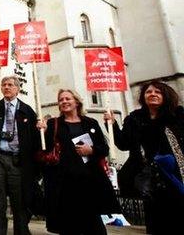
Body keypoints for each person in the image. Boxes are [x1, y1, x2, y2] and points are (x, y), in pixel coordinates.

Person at [104, 81, 184, 234]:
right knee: (154, 219)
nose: (152, 94)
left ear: (165, 95)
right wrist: (112, 125)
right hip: (148, 176)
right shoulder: (134, 118)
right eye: (148, 92)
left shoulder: (177, 115)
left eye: (157, 92)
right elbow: (123, 144)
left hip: (172, 173)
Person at [38, 89, 120, 234]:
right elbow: (44, 149)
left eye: (67, 99)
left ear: (76, 102)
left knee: (94, 226)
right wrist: (41, 133)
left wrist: (91, 150)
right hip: (65, 183)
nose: (64, 102)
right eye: (61, 100)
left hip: (89, 181)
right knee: (68, 226)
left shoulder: (91, 123)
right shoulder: (53, 124)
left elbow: (104, 148)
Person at [0, 75, 41, 235]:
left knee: (20, 204)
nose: (6, 87)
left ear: (17, 89)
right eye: (4, 85)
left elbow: (35, 140)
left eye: (10, 85)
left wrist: (41, 128)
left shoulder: (26, 110)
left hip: (18, 161)